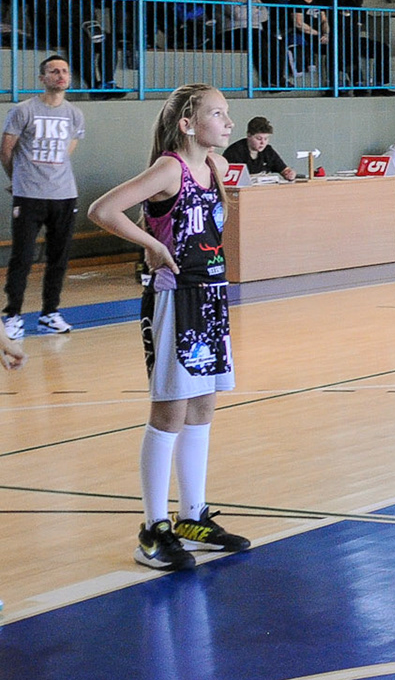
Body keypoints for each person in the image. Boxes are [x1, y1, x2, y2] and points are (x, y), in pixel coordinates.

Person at [87, 84, 252, 572]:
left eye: (227, 113)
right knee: (169, 410)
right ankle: (153, 529)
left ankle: (192, 516)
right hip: (173, 299)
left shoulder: (216, 166)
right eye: (217, 114)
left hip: (211, 295)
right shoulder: (169, 169)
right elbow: (102, 210)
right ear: (187, 124)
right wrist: (153, 245)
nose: (228, 122)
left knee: (202, 404)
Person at [1, 55, 83, 339]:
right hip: (29, 196)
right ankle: (13, 315)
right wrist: (18, 179)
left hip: (64, 195)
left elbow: (67, 149)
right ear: (42, 78)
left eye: (64, 71)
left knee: (58, 257)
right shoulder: (23, 110)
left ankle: (50, 313)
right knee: (22, 257)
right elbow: (6, 150)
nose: (60, 75)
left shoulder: (74, 114)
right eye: (54, 71)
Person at [283, 0, 328, 78]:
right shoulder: (296, 0)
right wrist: (317, 33)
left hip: (318, 35)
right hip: (303, 34)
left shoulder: (318, 1)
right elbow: (298, 23)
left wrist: (325, 34)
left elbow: (324, 21)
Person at [224, 116, 294, 182]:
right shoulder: (234, 152)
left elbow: (284, 170)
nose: (263, 143)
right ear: (249, 135)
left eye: (266, 139)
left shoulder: (268, 151)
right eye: (259, 138)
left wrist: (289, 174)